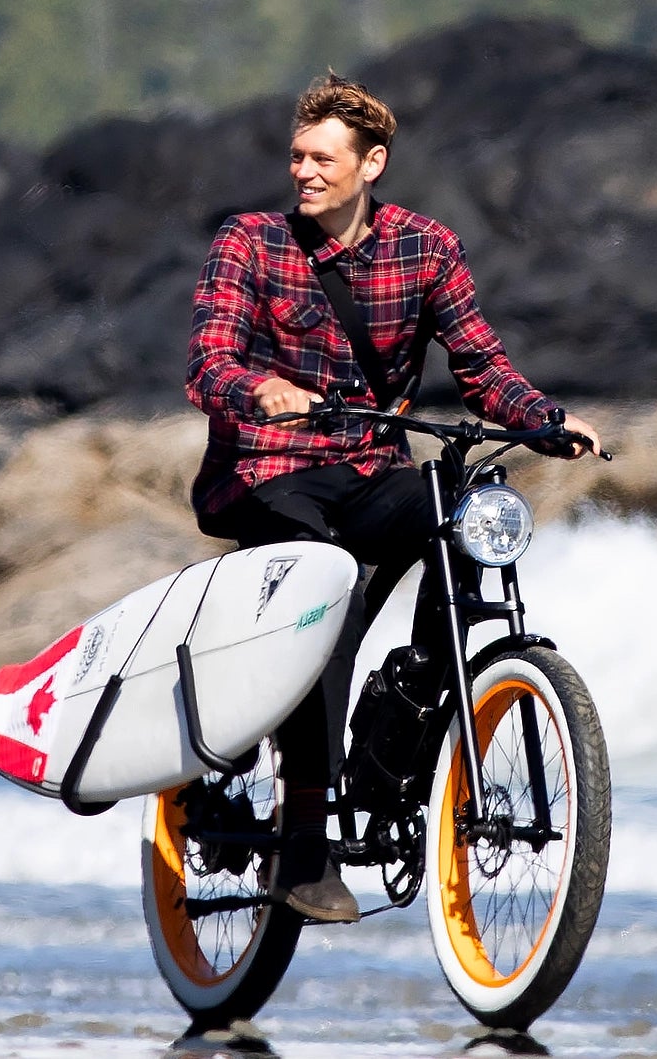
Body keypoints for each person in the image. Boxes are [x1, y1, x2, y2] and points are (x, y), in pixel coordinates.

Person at [182, 73, 601, 920]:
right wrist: (257, 389)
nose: (303, 172)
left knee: (461, 508)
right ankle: (304, 847)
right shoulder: (251, 242)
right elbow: (208, 361)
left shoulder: (426, 248)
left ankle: (405, 718)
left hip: (369, 470)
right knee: (322, 586)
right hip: (266, 472)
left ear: (371, 164)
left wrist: (546, 419)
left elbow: (481, 367)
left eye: (322, 158)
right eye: (296, 155)